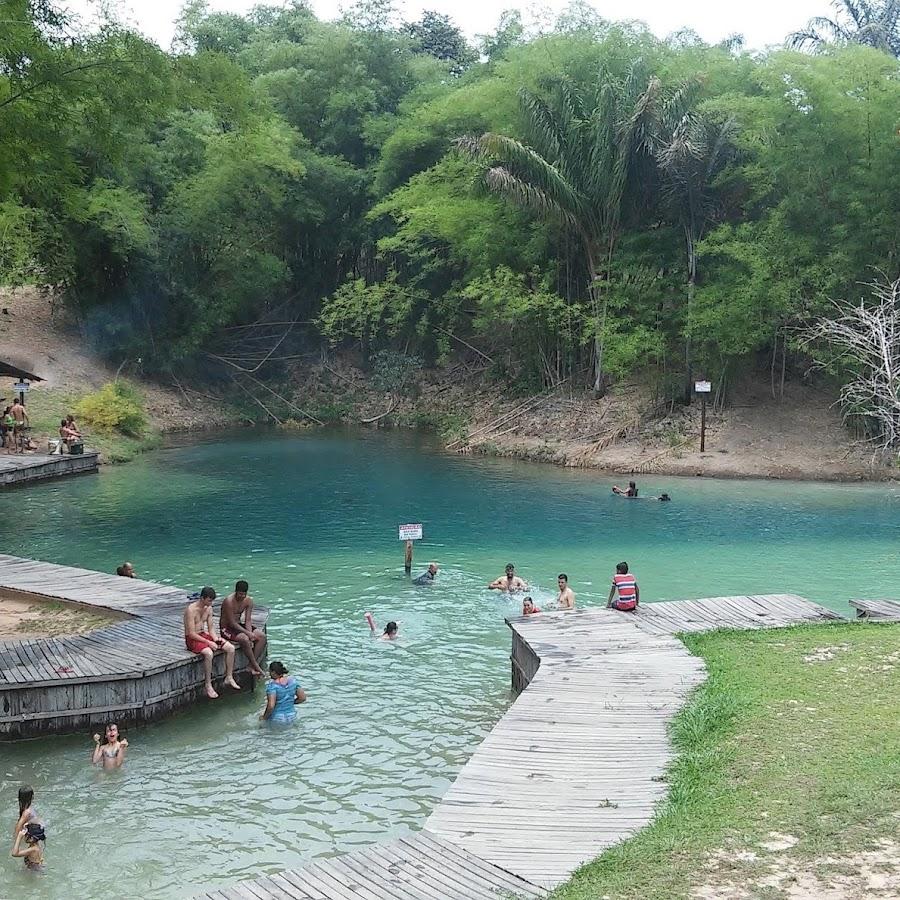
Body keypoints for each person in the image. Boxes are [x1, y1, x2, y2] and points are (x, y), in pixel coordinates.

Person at [183, 587, 239, 699]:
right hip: (193, 639)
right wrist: (208, 642)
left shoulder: (209, 608)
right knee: (209, 653)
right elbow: (191, 633)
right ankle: (208, 684)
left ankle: (229, 677)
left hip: (204, 635)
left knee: (230, 648)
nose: (210, 603)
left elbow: (211, 628)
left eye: (212, 601)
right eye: (209, 600)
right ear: (202, 598)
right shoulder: (191, 610)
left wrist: (216, 639)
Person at [219, 580, 267, 677]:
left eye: (244, 594)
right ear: (236, 592)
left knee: (262, 637)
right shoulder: (228, 601)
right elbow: (232, 623)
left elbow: (248, 620)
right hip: (227, 628)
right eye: (240, 594)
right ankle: (256, 666)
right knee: (244, 639)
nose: (242, 596)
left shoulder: (248, 601)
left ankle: (250, 665)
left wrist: (250, 633)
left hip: (239, 625)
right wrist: (247, 634)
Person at [260, 660, 306, 725]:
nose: (269, 674)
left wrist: (264, 718)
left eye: (269, 671)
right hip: (292, 716)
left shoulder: (272, 686)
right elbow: (302, 698)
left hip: (277, 719)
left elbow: (271, 706)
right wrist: (289, 702)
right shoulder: (293, 681)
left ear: (273, 672)